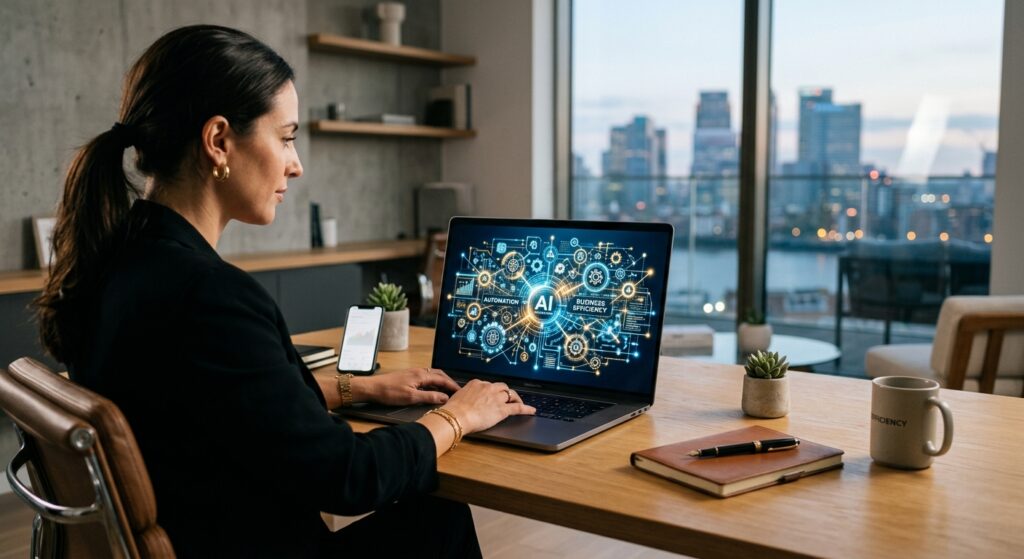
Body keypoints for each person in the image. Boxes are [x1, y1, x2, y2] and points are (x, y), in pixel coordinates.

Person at [34, 24, 534, 558]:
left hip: (197, 532)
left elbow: (212, 405)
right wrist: (461, 415)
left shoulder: (119, 262)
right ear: (219, 140)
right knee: (439, 519)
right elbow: (348, 477)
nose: (295, 165)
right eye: (287, 137)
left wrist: (356, 389)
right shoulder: (210, 296)